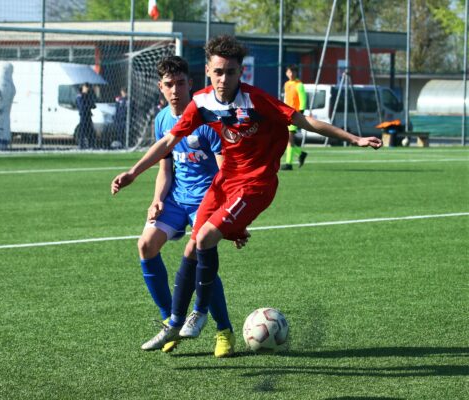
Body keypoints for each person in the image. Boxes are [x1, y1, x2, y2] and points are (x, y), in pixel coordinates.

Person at [111, 35, 382, 351]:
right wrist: (133, 172)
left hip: (255, 185)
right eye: (218, 72)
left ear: (241, 73)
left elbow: (304, 120)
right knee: (192, 248)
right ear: (209, 72)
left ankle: (200, 313)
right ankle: (174, 323)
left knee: (205, 238)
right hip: (224, 182)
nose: (224, 79)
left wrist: (353, 138)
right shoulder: (200, 102)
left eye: (231, 72)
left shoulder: (257, 101)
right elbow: (167, 143)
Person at [137, 55, 240, 358]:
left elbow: (226, 171)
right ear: (161, 87)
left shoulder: (207, 119)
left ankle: (224, 330)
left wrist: (228, 213)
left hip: (205, 201)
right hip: (175, 199)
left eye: (180, 83)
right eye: (169, 84)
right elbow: (165, 169)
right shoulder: (161, 121)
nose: (175, 90)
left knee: (199, 256)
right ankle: (171, 321)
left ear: (190, 84)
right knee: (146, 245)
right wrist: (157, 199)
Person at [281, 64, 308, 170]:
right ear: (286, 73)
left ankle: (289, 164)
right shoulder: (287, 84)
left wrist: (300, 113)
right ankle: (301, 154)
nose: (291, 74)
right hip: (286, 114)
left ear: (296, 73)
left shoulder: (299, 84)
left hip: (295, 115)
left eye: (293, 72)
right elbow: (286, 99)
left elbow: (303, 99)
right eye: (289, 72)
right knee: (288, 140)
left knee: (289, 138)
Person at [76, 83, 96, 149]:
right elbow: (82, 106)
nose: (87, 89)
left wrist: (88, 104)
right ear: (83, 88)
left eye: (88, 87)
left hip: (88, 115)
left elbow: (93, 105)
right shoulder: (80, 96)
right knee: (82, 131)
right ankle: (81, 145)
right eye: (86, 87)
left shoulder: (88, 95)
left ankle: (91, 145)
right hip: (83, 115)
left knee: (90, 131)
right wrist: (88, 105)